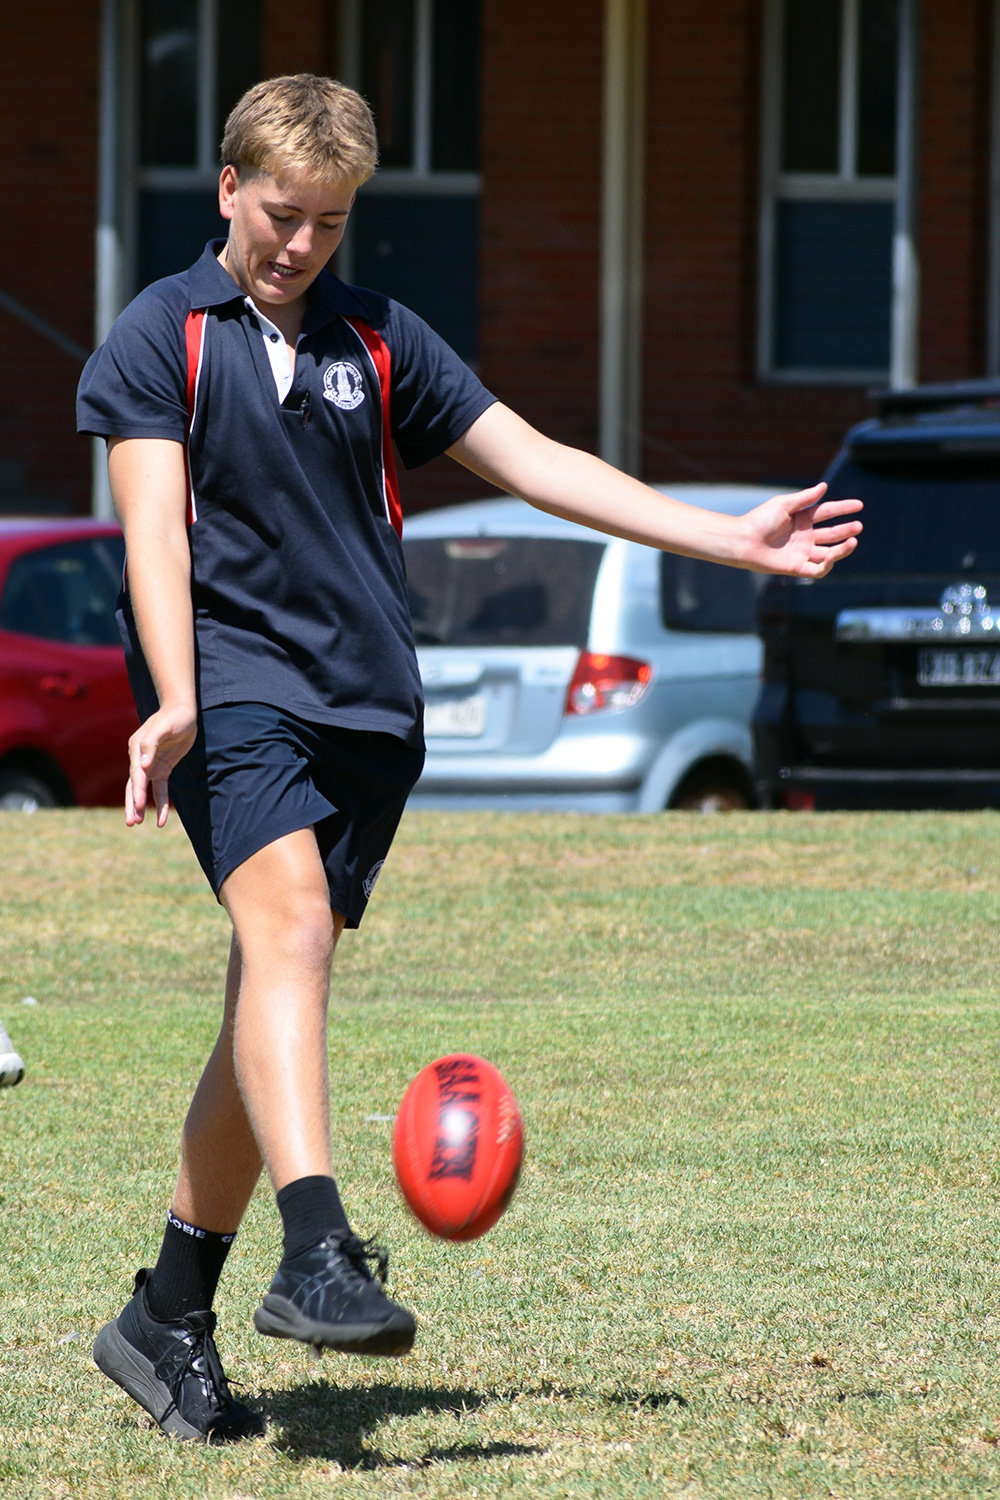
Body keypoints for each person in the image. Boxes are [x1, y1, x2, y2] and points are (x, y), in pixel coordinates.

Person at [77, 73, 862, 1445]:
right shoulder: (161, 335)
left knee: (267, 998)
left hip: (368, 713)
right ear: (229, 190)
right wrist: (180, 697)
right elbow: (151, 526)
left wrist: (729, 536)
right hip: (235, 695)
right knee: (291, 934)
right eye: (281, 214)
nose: (301, 243)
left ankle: (165, 1317)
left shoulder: (380, 338)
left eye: (329, 221)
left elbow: (536, 460)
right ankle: (316, 1251)